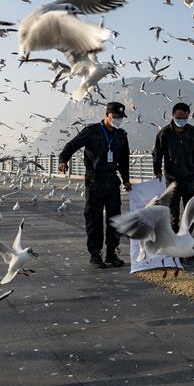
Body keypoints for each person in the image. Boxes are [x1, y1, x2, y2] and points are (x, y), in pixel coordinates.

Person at [58, 102, 131, 268]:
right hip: (94, 180)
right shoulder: (92, 131)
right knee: (94, 218)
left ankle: (111, 253)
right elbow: (72, 145)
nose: (118, 121)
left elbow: (124, 160)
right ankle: (95, 254)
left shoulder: (121, 135)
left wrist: (126, 180)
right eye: (115, 117)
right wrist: (63, 160)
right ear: (107, 115)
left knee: (115, 218)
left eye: (121, 118)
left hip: (112, 181)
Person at [152, 102, 194, 232]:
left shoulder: (192, 131)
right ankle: (174, 244)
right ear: (173, 115)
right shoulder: (164, 133)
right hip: (172, 180)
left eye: (184, 118)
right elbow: (157, 154)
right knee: (173, 216)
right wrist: (157, 172)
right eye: (179, 118)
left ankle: (187, 241)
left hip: (189, 179)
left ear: (188, 116)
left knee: (190, 214)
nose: (181, 121)